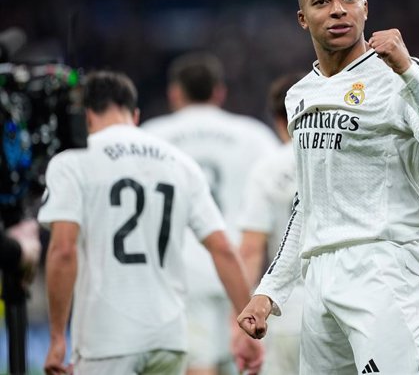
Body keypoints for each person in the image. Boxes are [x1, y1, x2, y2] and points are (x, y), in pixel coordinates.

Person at [237, 0, 419, 375]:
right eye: (322, 1)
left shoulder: (403, 75)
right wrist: (270, 290)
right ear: (302, 18)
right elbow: (306, 203)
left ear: (365, 9)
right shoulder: (299, 95)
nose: (338, 10)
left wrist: (407, 73)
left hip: (387, 265)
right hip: (321, 272)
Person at [39, 70, 263, 375]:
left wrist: (56, 337)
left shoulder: (71, 162)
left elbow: (63, 250)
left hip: (106, 339)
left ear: (86, 114)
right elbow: (223, 248)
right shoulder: (180, 162)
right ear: (134, 114)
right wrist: (247, 324)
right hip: (169, 336)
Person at [140, 51, 279, 375]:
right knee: (249, 362)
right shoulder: (254, 136)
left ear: (174, 92)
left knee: (198, 365)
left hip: (181, 273)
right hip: (243, 271)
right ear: (219, 91)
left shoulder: (151, 137)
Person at [238, 72, 306, 375]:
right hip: (340, 306)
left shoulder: (267, 169)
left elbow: (251, 249)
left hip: (285, 313)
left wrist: (242, 316)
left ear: (279, 119)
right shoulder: (344, 156)